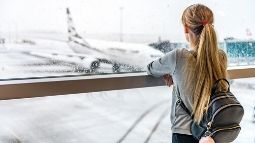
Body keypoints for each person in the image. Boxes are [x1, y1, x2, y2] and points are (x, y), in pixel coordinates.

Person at [147, 4, 228, 143]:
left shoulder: (178, 57)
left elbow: (150, 69)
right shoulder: (221, 56)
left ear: (186, 28)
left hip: (183, 134)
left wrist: (173, 73)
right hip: (211, 134)